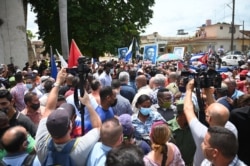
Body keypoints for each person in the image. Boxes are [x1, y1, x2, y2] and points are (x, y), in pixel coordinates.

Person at [35, 68, 102, 166]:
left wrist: (57, 83)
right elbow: (98, 128)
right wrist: (88, 104)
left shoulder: (40, 144)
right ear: (70, 126)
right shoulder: (80, 147)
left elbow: (48, 109)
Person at [183, 79, 238, 166]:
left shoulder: (204, 134)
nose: (205, 111)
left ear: (209, 119)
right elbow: (217, 111)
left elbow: (187, 109)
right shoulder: (232, 129)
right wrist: (207, 90)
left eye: (206, 113)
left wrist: (189, 89)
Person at [167, 100, 196, 166]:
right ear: (183, 114)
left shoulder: (194, 127)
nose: (194, 115)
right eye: (191, 113)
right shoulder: (168, 128)